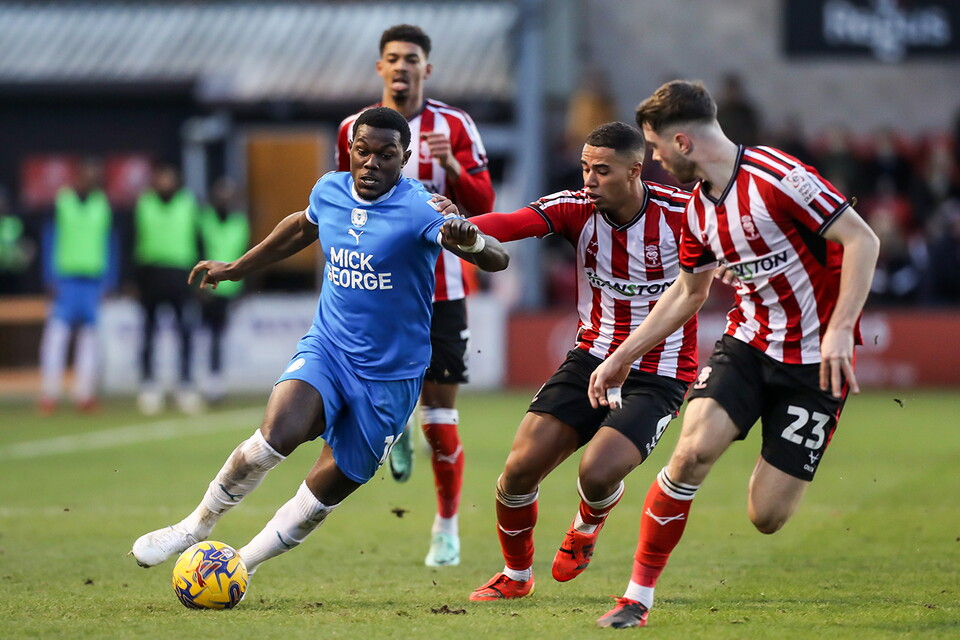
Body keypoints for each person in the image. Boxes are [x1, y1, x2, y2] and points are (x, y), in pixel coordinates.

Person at [130, 108, 509, 586]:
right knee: (272, 438)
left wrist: (471, 241)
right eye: (362, 151)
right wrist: (237, 268)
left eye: (385, 155)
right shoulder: (329, 189)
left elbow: (499, 257)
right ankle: (193, 527)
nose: (371, 163)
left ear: (405, 158)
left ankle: (238, 567)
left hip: (390, 379)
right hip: (328, 350)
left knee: (319, 497)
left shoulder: (422, 208)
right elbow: (300, 227)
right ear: (350, 150)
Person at [587, 80, 880, 628]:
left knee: (766, 516)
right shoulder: (698, 208)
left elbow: (863, 239)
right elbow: (688, 291)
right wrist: (622, 355)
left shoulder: (780, 179)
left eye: (654, 148)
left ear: (683, 142)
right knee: (692, 452)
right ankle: (637, 598)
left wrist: (841, 329)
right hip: (747, 345)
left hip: (816, 362)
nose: (651, 160)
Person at [461, 122, 698, 601]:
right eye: (586, 167)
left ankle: (588, 522)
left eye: (602, 170)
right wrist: (455, 227)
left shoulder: (683, 216)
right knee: (518, 471)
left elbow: (710, 280)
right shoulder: (575, 208)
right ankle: (517, 576)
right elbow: (509, 224)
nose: (589, 179)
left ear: (636, 171)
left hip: (660, 372)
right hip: (591, 358)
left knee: (596, 472)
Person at [335, 24, 496, 567]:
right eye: (392, 58)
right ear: (379, 67)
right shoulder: (353, 129)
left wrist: (451, 164)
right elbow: (343, 205)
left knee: (441, 419)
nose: (402, 66)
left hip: (444, 290)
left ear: (427, 69)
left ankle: (445, 527)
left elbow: (484, 201)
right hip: (381, 289)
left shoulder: (455, 125)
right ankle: (395, 426)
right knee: (371, 400)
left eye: (412, 59)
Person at [38, 158, 113, 414]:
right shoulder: (63, 202)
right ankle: (49, 393)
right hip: (66, 278)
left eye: (94, 174)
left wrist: (108, 280)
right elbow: (50, 238)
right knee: (56, 337)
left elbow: (108, 242)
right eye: (86, 174)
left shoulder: (101, 204)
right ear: (77, 176)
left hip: (92, 280)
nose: (89, 179)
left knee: (89, 340)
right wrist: (49, 276)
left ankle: (84, 393)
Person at [133, 163, 204, 415]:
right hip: (151, 275)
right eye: (160, 177)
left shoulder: (188, 203)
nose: (165, 181)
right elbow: (134, 239)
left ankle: (184, 385)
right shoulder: (144, 204)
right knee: (149, 332)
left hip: (180, 276)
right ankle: (149, 385)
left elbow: (199, 240)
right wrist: (132, 281)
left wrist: (200, 279)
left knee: (185, 333)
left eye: (169, 177)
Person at [197, 177, 250, 403]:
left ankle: (216, 383)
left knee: (220, 336)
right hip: (207, 288)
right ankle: (204, 381)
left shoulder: (240, 223)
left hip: (231, 290)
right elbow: (196, 250)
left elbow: (248, 256)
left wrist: (244, 289)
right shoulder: (204, 220)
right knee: (204, 336)